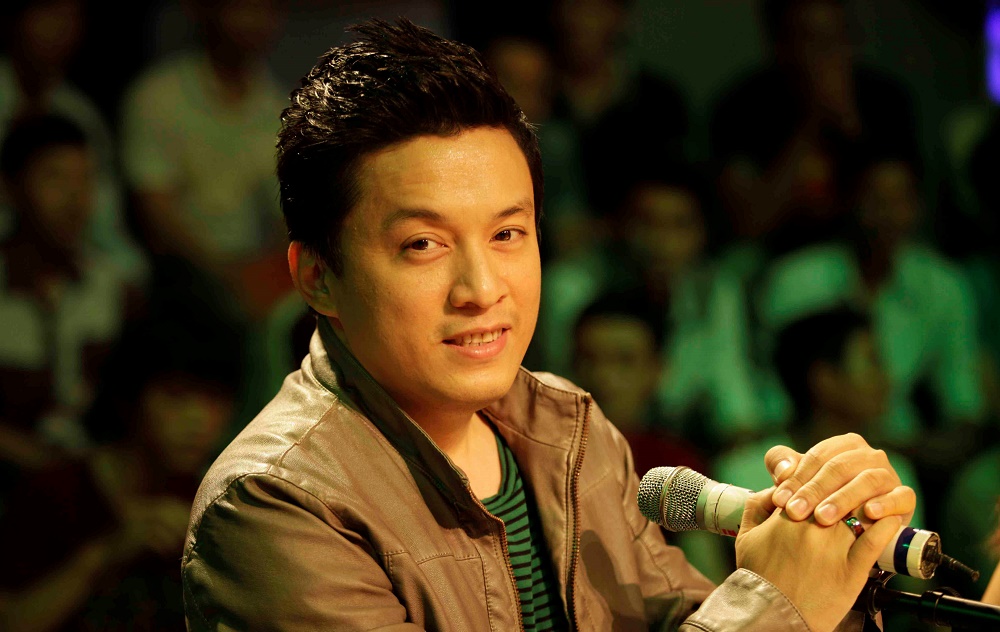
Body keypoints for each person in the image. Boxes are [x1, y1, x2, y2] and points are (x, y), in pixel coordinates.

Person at [182, 19, 916, 631]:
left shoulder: (569, 431)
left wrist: (833, 576)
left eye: (508, 234)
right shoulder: (277, 505)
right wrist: (774, 604)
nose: (481, 289)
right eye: (423, 244)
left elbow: (682, 617)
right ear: (317, 276)